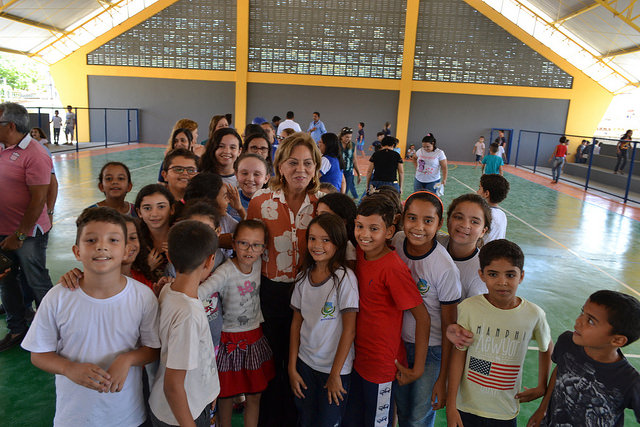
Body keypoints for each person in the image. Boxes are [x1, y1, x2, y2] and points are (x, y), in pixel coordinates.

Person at [22, 207, 160, 425]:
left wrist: (128, 359)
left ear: (126, 251)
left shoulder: (142, 296)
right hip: (75, 417)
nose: (101, 246)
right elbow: (38, 354)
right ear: (77, 251)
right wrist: (68, 368)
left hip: (126, 416)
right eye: (91, 240)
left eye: (113, 240)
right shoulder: (58, 297)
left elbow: (152, 349)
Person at [246, 133, 324, 427]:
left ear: (316, 167)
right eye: (293, 162)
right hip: (272, 293)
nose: (300, 170)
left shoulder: (321, 204)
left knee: (301, 359)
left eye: (307, 163)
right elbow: (249, 243)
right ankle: (270, 417)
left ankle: (296, 416)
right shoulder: (260, 200)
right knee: (273, 359)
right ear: (280, 166)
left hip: (310, 294)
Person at [343, 193, 429, 427]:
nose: (364, 234)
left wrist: (418, 368)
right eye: (359, 226)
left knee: (378, 423)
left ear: (389, 232)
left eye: (373, 229)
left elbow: (422, 317)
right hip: (358, 359)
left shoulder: (392, 268)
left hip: (382, 366)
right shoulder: (360, 254)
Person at [446, 239, 552, 427]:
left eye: (510, 275)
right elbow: (459, 355)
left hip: (504, 411)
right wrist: (451, 404)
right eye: (493, 274)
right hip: (466, 407)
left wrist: (542, 385)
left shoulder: (534, 314)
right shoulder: (469, 308)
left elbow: (546, 346)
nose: (502, 282)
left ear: (521, 276)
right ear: (482, 275)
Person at [392, 191, 461, 427]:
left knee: (418, 417)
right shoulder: (397, 242)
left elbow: (449, 326)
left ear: (439, 224)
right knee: (400, 410)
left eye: (428, 221)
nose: (418, 227)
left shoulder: (444, 268)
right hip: (398, 344)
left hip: (431, 352)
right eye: (412, 218)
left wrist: (442, 379)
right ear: (402, 219)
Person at [198, 220, 275, 427]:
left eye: (256, 245)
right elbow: (201, 292)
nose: (250, 250)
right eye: (243, 243)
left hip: (253, 338)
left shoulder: (259, 263)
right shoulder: (225, 271)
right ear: (233, 244)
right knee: (225, 396)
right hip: (228, 339)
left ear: (263, 248)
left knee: (254, 395)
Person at [527, 290, 640, 427]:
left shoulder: (630, 381)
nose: (578, 321)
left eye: (591, 321)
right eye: (582, 312)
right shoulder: (567, 342)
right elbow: (560, 371)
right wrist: (542, 409)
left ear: (617, 340)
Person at [289, 214, 359, 427]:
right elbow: (296, 323)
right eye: (312, 238)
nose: (317, 245)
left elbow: (350, 330)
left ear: (338, 243)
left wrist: (335, 374)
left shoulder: (344, 279)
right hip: (305, 366)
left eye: (326, 240)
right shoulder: (303, 277)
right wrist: (292, 368)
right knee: (306, 419)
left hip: (334, 370)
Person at [149, 220, 220, 427]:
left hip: (188, 404)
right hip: (181, 415)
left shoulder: (167, 290)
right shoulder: (188, 314)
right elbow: (173, 385)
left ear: (169, 256)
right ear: (210, 261)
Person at [0, 102, 54, 352]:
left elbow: (38, 199)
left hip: (27, 235)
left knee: (37, 281)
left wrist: (19, 235)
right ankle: (17, 329)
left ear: (10, 126)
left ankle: (55, 330)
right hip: (2, 231)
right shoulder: (2, 147)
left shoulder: (36, 154)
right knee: (6, 281)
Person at [437, 193, 492, 299]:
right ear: (448, 220)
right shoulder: (432, 243)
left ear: (483, 231)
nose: (465, 225)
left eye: (474, 222)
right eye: (458, 217)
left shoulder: (481, 272)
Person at [135, 184, 175, 281]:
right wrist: (146, 268)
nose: (154, 214)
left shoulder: (182, 238)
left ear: (172, 209)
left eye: (161, 207)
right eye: (147, 208)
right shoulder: (134, 241)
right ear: (139, 212)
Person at [477, 174, 510, 243]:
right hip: (496, 252)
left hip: (483, 252)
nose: (477, 191)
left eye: (479, 188)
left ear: (486, 194)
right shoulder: (502, 215)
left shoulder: (482, 215)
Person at [339, 127, 361, 199]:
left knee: (345, 191)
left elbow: (354, 160)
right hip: (339, 171)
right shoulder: (337, 144)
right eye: (346, 137)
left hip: (349, 172)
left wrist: (358, 174)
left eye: (350, 137)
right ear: (342, 136)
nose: (348, 139)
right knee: (338, 190)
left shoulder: (353, 145)